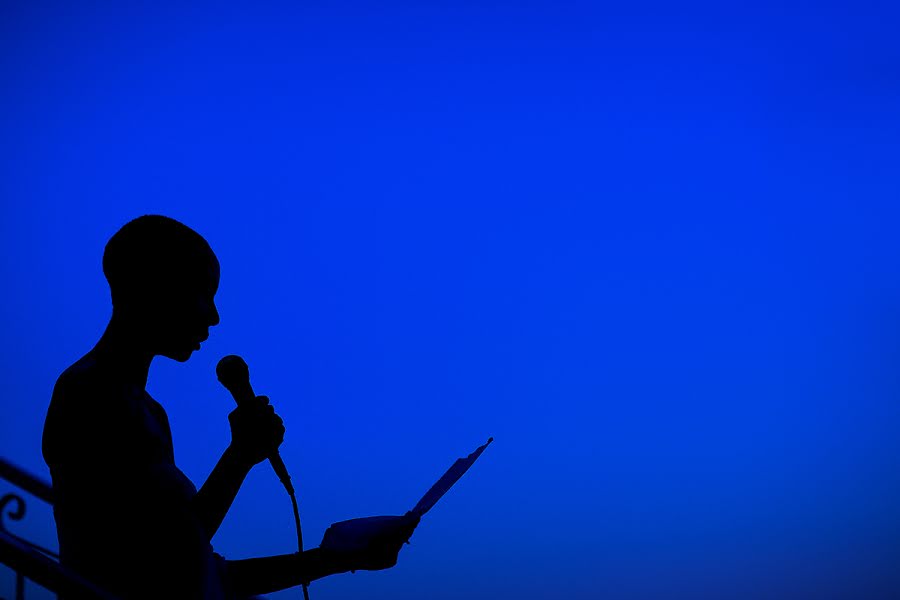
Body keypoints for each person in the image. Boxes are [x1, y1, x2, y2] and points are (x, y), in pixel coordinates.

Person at [42, 215, 418, 599]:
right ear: (156, 288)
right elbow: (160, 557)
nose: (214, 316)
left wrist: (337, 559)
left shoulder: (144, 409)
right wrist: (239, 456)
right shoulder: (89, 393)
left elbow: (192, 565)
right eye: (202, 293)